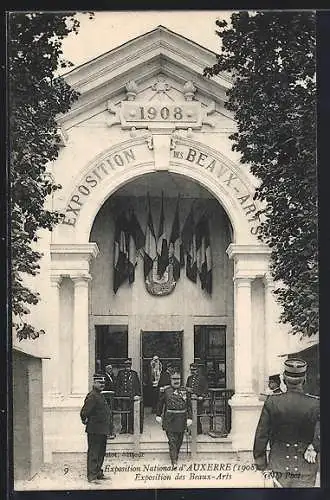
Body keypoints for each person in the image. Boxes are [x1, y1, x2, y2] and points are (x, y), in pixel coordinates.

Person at [253, 358, 320, 487]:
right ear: (304, 379)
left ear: (284, 379)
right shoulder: (315, 403)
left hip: (278, 466)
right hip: (306, 467)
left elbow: (261, 435)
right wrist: (315, 446)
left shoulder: (271, 402)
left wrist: (261, 465)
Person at [156, 370, 192, 467]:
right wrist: (158, 415)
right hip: (170, 419)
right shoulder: (166, 390)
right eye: (174, 379)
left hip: (181, 419)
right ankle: (174, 461)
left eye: (178, 379)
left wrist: (190, 418)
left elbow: (189, 405)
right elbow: (160, 403)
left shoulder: (185, 390)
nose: (176, 381)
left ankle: (175, 456)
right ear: (170, 380)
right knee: (172, 441)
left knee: (179, 441)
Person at [80, 375, 111, 484]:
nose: (102, 385)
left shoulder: (99, 395)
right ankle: (92, 477)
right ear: (94, 383)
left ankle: (98, 473)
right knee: (94, 452)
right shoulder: (92, 396)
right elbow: (84, 412)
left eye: (103, 383)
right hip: (95, 429)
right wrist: (85, 420)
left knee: (101, 452)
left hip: (102, 429)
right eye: (99, 383)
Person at [115, 358, 141, 434]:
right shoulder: (121, 373)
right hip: (123, 397)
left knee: (131, 413)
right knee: (123, 413)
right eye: (126, 365)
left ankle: (130, 428)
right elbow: (118, 385)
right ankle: (123, 428)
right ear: (124, 365)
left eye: (129, 364)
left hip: (131, 396)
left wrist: (138, 394)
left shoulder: (134, 373)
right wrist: (118, 395)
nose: (128, 366)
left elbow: (137, 385)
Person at [186, 362, 208, 434]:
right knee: (190, 415)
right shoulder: (189, 378)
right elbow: (187, 387)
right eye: (191, 370)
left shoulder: (202, 378)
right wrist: (187, 390)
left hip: (198, 399)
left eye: (194, 369)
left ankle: (198, 430)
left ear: (198, 369)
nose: (193, 371)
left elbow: (205, 389)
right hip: (190, 399)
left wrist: (202, 396)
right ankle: (191, 430)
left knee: (197, 416)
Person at [103, 364, 116, 439]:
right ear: (106, 369)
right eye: (109, 369)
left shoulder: (112, 376)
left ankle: (111, 432)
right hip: (107, 398)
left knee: (110, 415)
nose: (110, 370)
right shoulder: (105, 377)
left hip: (111, 399)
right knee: (108, 415)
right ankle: (109, 432)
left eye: (111, 368)